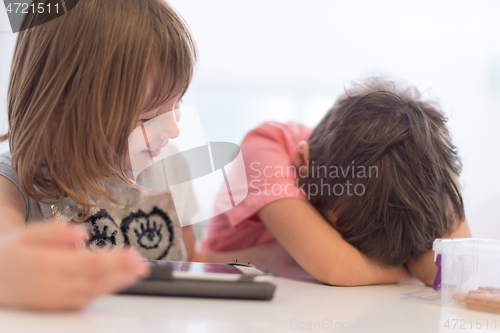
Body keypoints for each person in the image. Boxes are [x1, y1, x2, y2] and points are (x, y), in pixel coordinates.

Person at [0, 0, 197, 310]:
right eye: (150, 117)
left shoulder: (169, 166)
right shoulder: (12, 181)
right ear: (62, 106)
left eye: (177, 105)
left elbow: (192, 269)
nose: (173, 130)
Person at [197, 78, 471, 286]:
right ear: (303, 162)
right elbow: (338, 267)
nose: (366, 243)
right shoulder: (264, 150)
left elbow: (449, 273)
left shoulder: (395, 182)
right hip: (228, 289)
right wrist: (403, 266)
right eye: (346, 227)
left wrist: (435, 187)